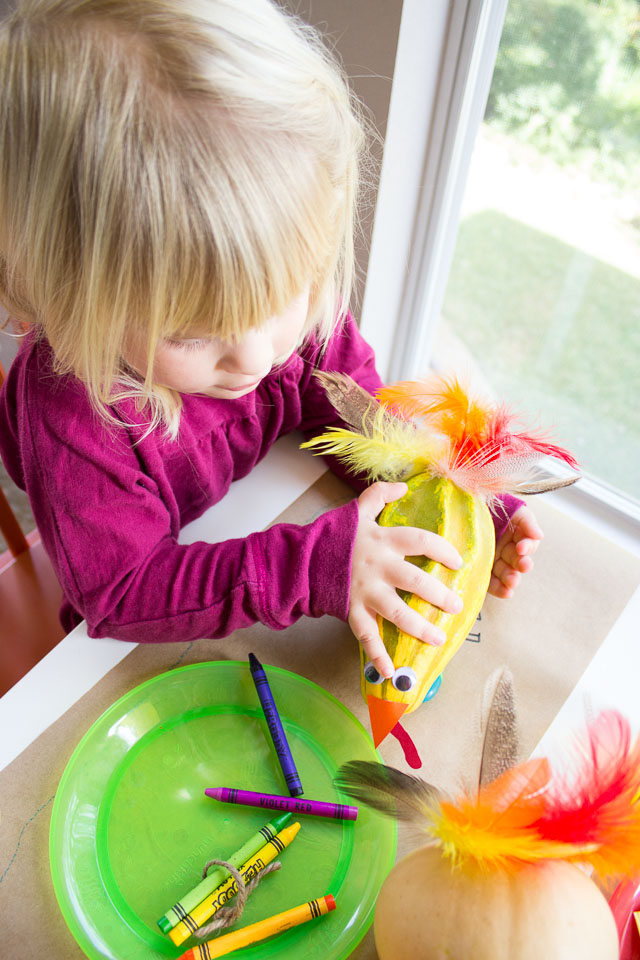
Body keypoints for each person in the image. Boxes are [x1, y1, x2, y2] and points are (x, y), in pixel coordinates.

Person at [0, 0, 541, 680]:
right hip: (136, 624)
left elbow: (355, 411)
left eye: (287, 294)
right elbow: (120, 592)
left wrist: (449, 493)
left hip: (237, 518)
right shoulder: (72, 415)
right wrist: (311, 567)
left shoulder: (284, 309)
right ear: (72, 301)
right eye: (194, 334)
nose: (257, 357)